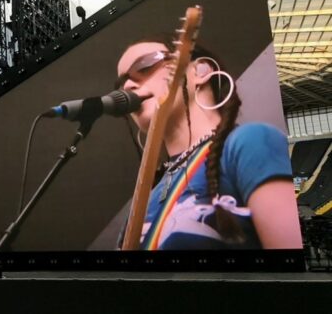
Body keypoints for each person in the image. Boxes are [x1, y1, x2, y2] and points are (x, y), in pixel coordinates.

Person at [116, 37, 303, 250]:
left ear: (201, 71)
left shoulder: (251, 142)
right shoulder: (147, 197)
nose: (128, 86)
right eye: (121, 82)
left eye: (144, 65)